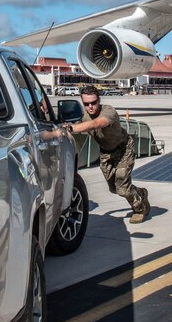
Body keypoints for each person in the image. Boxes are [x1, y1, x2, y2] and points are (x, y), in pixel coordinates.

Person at [61, 85, 151, 223]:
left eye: (94, 102)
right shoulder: (85, 117)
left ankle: (140, 209)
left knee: (122, 187)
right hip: (106, 153)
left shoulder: (109, 111)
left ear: (99, 100)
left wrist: (71, 128)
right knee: (114, 188)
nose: (91, 106)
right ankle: (141, 193)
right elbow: (84, 125)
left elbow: (97, 123)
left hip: (123, 149)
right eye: (86, 104)